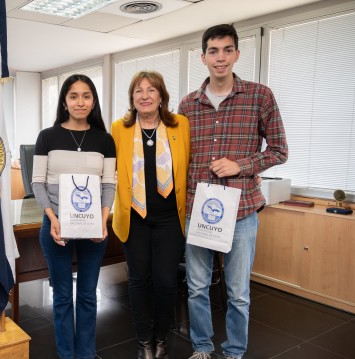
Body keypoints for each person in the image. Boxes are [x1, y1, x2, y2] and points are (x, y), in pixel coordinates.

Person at [177, 24, 288, 359]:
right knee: (196, 288)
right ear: (203, 57)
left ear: (237, 54)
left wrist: (241, 165)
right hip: (198, 209)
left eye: (227, 50)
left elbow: (279, 150)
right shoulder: (187, 104)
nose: (220, 57)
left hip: (241, 212)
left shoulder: (260, 96)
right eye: (213, 51)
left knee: (238, 293)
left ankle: (235, 351)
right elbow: (180, 158)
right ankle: (201, 347)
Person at [32, 74, 116, 359]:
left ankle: (87, 354)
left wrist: (103, 220)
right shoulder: (48, 136)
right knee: (63, 296)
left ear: (93, 101)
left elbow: (108, 184)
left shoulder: (104, 140)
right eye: (73, 96)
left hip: (94, 227)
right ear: (65, 102)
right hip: (56, 226)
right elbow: (37, 182)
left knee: (88, 296)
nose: (80, 102)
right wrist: (52, 218)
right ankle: (67, 355)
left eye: (86, 96)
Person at [111, 71, 190, 359]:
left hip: (170, 217)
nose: (145, 95)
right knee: (138, 280)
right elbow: (111, 171)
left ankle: (161, 339)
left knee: (167, 281)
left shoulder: (180, 125)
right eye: (138, 91)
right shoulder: (119, 128)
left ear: (161, 96)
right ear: (132, 98)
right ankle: (144, 340)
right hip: (134, 217)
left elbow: (192, 162)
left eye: (151, 90)